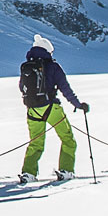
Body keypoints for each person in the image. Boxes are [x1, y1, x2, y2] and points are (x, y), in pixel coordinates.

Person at [17, 35, 86, 183]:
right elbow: (65, 88)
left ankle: (28, 173)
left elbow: (21, 87)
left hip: (32, 110)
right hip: (51, 108)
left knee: (35, 142)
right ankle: (66, 170)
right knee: (68, 139)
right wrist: (78, 104)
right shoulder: (53, 66)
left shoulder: (27, 66)